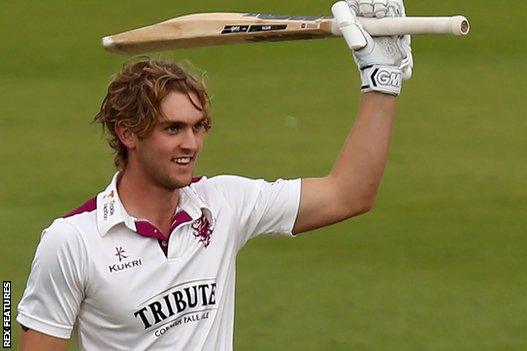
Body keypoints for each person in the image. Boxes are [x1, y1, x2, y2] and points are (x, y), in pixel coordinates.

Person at [17, 1, 413, 350]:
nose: (191, 143)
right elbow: (22, 334)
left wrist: (381, 84)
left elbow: (349, 194)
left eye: (198, 126)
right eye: (173, 129)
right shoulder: (73, 241)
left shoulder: (222, 204)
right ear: (128, 134)